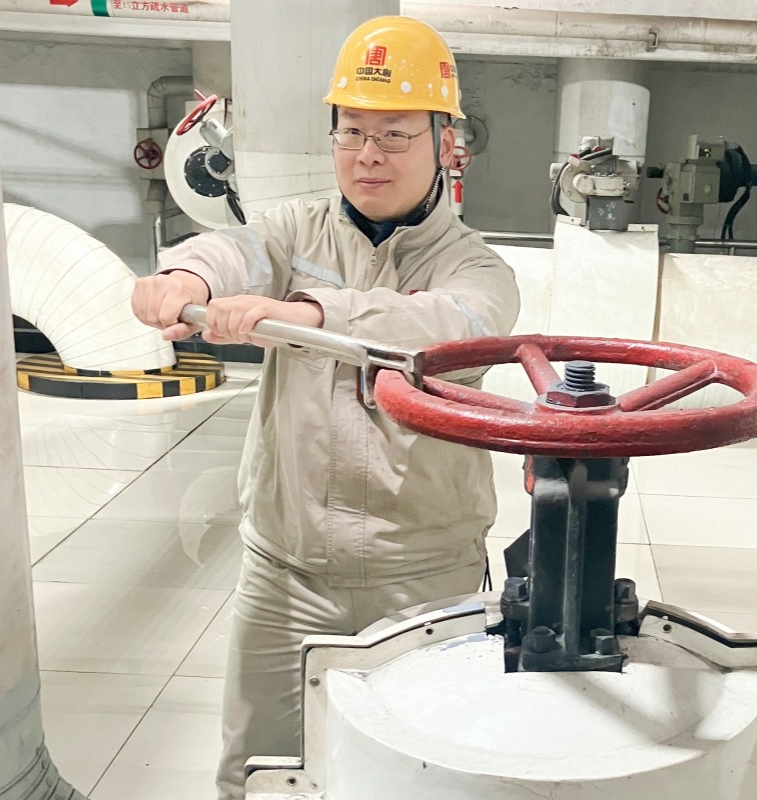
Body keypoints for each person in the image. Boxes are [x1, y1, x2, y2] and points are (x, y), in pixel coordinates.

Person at [131, 15, 520, 800]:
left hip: (422, 576)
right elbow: (237, 248)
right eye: (351, 131)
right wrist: (189, 277)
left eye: (395, 134)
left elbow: (448, 326)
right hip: (287, 571)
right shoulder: (295, 230)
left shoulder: (476, 269)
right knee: (258, 773)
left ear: (446, 144)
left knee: (420, 776)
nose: (368, 154)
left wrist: (308, 313)